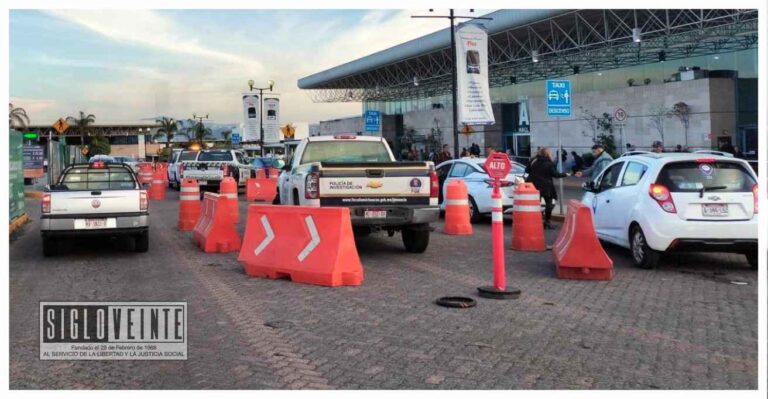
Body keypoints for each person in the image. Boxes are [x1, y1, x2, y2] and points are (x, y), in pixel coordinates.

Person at [525, 147, 570, 229]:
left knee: (534, 205)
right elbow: (556, 175)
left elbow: (527, 170)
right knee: (549, 204)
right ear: (548, 154)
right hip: (546, 186)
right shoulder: (549, 163)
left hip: (533, 185)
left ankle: (533, 221)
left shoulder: (533, 160)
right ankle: (547, 221)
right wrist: (565, 174)